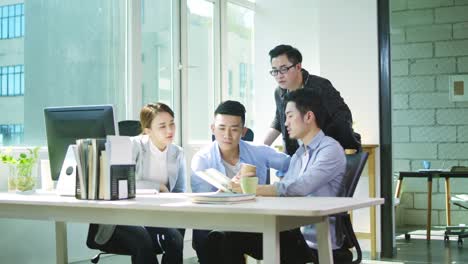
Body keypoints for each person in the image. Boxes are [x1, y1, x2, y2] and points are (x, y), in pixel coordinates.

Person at [206, 89, 349, 264]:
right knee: (219, 238)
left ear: (309, 117)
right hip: (289, 231)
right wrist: (239, 189)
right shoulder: (299, 154)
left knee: (227, 238)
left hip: (312, 239)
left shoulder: (330, 149)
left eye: (289, 116)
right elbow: (285, 188)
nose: (285, 123)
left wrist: (249, 189)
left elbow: (299, 187)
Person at [190, 100, 290, 263]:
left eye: (234, 129)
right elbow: (203, 201)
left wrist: (278, 185)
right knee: (214, 237)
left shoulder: (258, 152)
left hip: (254, 223)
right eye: (221, 128)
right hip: (216, 223)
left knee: (287, 234)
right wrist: (231, 187)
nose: (227, 135)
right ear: (213, 129)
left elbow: (293, 165)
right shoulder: (202, 159)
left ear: (243, 131)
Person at [87, 102, 186, 264]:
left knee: (175, 238)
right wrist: (158, 187)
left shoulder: (177, 152)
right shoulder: (131, 145)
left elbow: (181, 191)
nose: (170, 130)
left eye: (172, 124)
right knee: (142, 238)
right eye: (162, 126)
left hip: (156, 217)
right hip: (122, 217)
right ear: (147, 130)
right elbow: (122, 183)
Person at [263, 44, 361, 155]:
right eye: (275, 71)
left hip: (325, 151)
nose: (279, 76)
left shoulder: (320, 87)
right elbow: (279, 119)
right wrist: (263, 146)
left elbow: (343, 117)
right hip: (296, 154)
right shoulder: (279, 92)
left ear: (298, 67)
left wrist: (345, 147)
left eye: (284, 69)